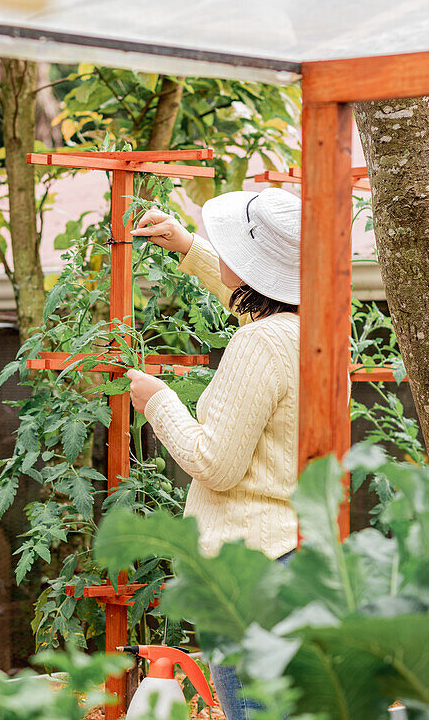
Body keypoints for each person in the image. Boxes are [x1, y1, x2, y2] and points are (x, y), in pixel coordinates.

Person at [124, 188, 301, 720]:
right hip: (291, 552)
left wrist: (156, 400)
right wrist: (186, 246)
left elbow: (214, 465)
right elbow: (260, 316)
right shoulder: (316, 333)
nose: (221, 251)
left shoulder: (259, 345)